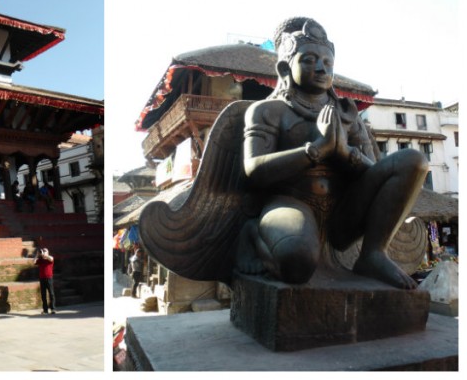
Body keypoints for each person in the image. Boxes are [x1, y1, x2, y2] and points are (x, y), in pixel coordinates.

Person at [140, 17, 430, 296]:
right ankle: (253, 235)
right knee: (297, 263)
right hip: (290, 203)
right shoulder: (267, 111)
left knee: (413, 161)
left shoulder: (347, 115)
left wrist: (343, 153)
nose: (320, 68)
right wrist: (314, 151)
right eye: (308, 60)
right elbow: (253, 170)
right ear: (284, 68)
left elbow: (375, 173)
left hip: (342, 212)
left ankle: (373, 254)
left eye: (327, 62)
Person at [34, 242, 56, 314]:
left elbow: (51, 259)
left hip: (49, 278)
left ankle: (53, 309)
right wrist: (37, 255)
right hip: (42, 279)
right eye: (43, 251)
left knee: (51, 294)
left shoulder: (49, 259)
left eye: (45, 251)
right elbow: (33, 262)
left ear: (48, 252)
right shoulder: (40, 260)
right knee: (43, 295)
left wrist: (46, 255)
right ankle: (45, 310)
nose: (43, 252)